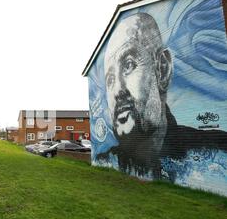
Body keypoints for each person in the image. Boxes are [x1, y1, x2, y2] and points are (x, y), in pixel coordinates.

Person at [97, 12, 227, 180]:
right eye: (110, 79)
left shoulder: (216, 152)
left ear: (162, 69)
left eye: (129, 65)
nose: (118, 90)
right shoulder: (105, 161)